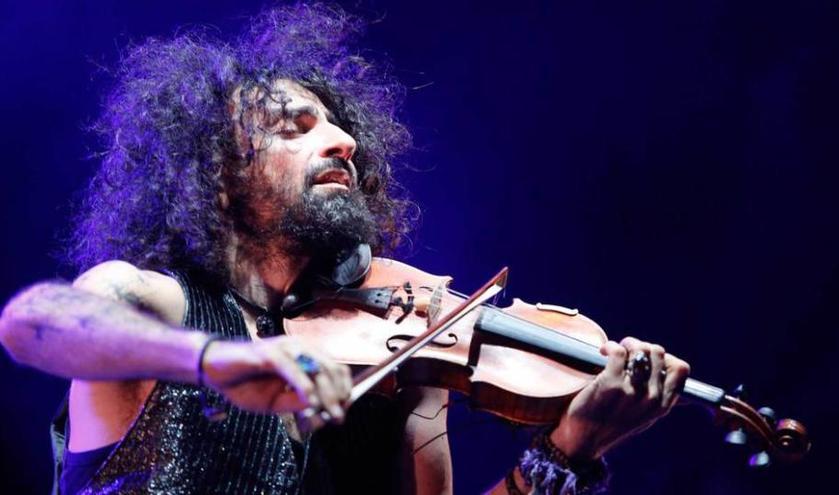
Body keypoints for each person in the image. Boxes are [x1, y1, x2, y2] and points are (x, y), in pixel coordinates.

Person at [0, 4, 690, 494]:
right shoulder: (162, 306)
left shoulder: (397, 373)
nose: (343, 142)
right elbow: (33, 320)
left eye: (337, 127)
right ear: (218, 180)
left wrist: (568, 450)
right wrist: (218, 358)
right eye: (292, 127)